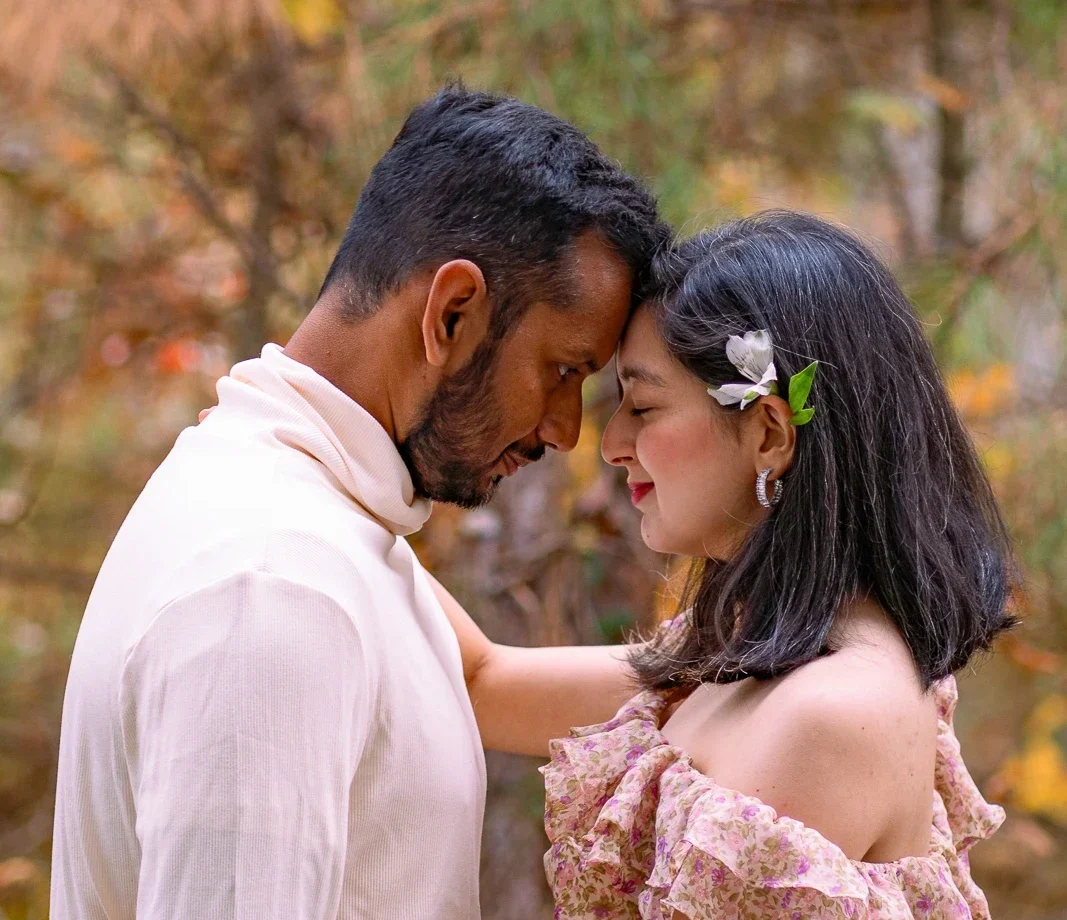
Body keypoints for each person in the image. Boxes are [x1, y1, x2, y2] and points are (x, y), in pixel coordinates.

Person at [49, 86, 668, 920]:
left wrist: (796, 649)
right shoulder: (272, 588)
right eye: (562, 371)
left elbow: (484, 678)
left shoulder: (303, 507)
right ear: (452, 313)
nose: (564, 429)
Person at [434, 211, 1014, 918]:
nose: (610, 443)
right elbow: (481, 681)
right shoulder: (741, 659)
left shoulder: (825, 717)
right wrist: (336, 471)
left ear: (768, 433)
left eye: (643, 406)